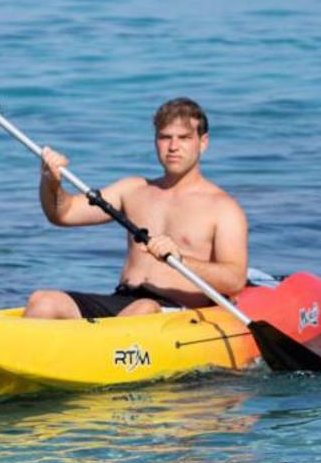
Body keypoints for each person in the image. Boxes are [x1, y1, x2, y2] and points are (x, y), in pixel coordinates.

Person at [23, 98, 248, 319]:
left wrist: (181, 261)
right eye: (165, 137)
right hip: (123, 301)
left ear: (203, 142)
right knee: (42, 301)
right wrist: (51, 182)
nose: (173, 146)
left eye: (184, 138)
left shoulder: (223, 208)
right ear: (155, 141)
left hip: (176, 313)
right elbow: (63, 213)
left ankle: (97, 348)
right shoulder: (133, 189)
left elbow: (235, 281)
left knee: (144, 308)